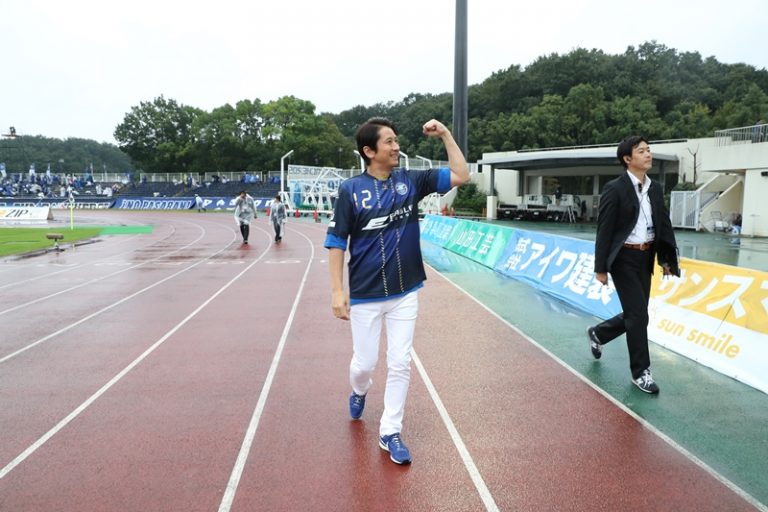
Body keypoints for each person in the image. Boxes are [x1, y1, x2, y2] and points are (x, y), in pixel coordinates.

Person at [325, 118, 469, 465]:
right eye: (389, 142)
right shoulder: (350, 190)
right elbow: (336, 241)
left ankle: (390, 431)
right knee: (365, 364)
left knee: (400, 362)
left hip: (406, 291)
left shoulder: (411, 181)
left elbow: (461, 175)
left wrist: (446, 134)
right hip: (365, 294)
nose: (396, 147)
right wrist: (337, 291)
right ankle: (359, 390)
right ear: (369, 151)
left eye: (396, 140)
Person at [587, 135, 680, 394]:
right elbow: (605, 230)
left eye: (649, 150)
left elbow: (663, 224)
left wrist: (666, 259)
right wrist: (600, 267)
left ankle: (599, 333)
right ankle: (641, 373)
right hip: (623, 259)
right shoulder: (615, 189)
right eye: (641, 151)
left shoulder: (655, 188)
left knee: (637, 315)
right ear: (628, 159)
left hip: (645, 257)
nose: (648, 154)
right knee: (638, 316)